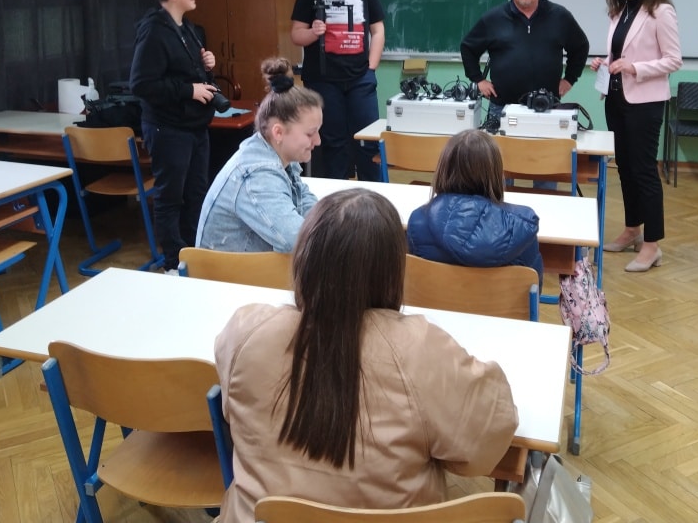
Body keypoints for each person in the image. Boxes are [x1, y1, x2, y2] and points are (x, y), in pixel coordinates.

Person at [214, 188, 517, 521]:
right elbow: (486, 442)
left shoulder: (246, 331)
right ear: (392, 271)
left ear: (304, 258)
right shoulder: (419, 350)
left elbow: (232, 410)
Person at [589, 0, 682, 272]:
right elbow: (620, 53)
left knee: (643, 171)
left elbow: (673, 60)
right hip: (616, 99)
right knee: (625, 169)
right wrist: (604, 62)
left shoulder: (660, 11)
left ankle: (652, 245)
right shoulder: (619, 11)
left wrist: (635, 67)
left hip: (645, 103)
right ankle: (632, 230)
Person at [129, 0, 222, 272]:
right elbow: (141, 84)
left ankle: (194, 256)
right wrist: (188, 90)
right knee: (171, 197)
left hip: (195, 126)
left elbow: (186, 73)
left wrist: (206, 65)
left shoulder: (188, 29)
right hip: (168, 128)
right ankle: (173, 263)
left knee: (196, 194)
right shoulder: (154, 31)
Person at [196, 58, 322, 252]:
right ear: (278, 132)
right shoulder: (258, 174)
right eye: (310, 133)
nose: (318, 141)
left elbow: (303, 200)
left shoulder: (280, 154)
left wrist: (327, 221)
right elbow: (298, 241)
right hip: (228, 272)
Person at [290, 0, 385, 180]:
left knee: (368, 141)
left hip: (360, 78)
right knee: (333, 144)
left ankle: (372, 196)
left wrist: (371, 68)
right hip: (323, 81)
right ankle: (338, 199)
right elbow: (296, 35)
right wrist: (313, 32)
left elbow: (378, 30)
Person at [460, 0, 589, 133]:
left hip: (547, 107)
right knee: (501, 151)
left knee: (545, 150)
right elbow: (468, 48)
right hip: (502, 107)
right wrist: (478, 80)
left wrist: (570, 79)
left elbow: (580, 47)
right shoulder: (494, 18)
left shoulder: (559, 16)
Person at [406, 130, 542, 285]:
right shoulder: (521, 226)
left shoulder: (417, 221)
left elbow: (416, 281)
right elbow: (533, 287)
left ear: (444, 169)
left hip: (436, 300)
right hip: (497, 301)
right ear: (495, 173)